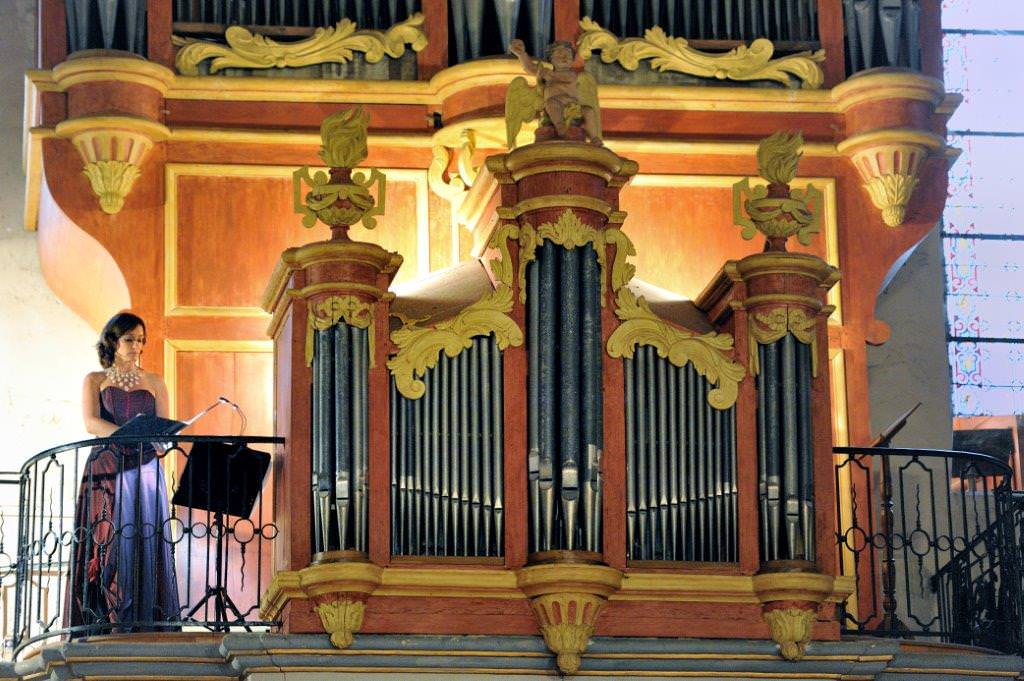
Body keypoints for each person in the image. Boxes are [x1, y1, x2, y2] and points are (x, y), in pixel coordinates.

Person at [67, 312, 180, 634]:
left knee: (144, 536)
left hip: (144, 467)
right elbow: (91, 423)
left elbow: (164, 430)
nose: (137, 346)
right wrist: (127, 435)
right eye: (130, 339)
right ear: (113, 341)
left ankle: (143, 619)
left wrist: (162, 440)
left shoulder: (156, 381)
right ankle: (104, 620)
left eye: (141, 340)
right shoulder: (95, 379)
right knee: (107, 537)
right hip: (107, 464)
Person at [508, 38, 602, 144]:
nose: (564, 57)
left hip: (571, 106)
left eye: (568, 55)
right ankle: (560, 127)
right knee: (550, 103)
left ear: (572, 60)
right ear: (551, 59)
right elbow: (530, 68)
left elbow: (562, 77)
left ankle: (594, 137)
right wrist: (521, 54)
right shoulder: (549, 74)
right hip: (554, 102)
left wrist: (548, 75)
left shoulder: (571, 75)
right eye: (560, 55)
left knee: (589, 111)